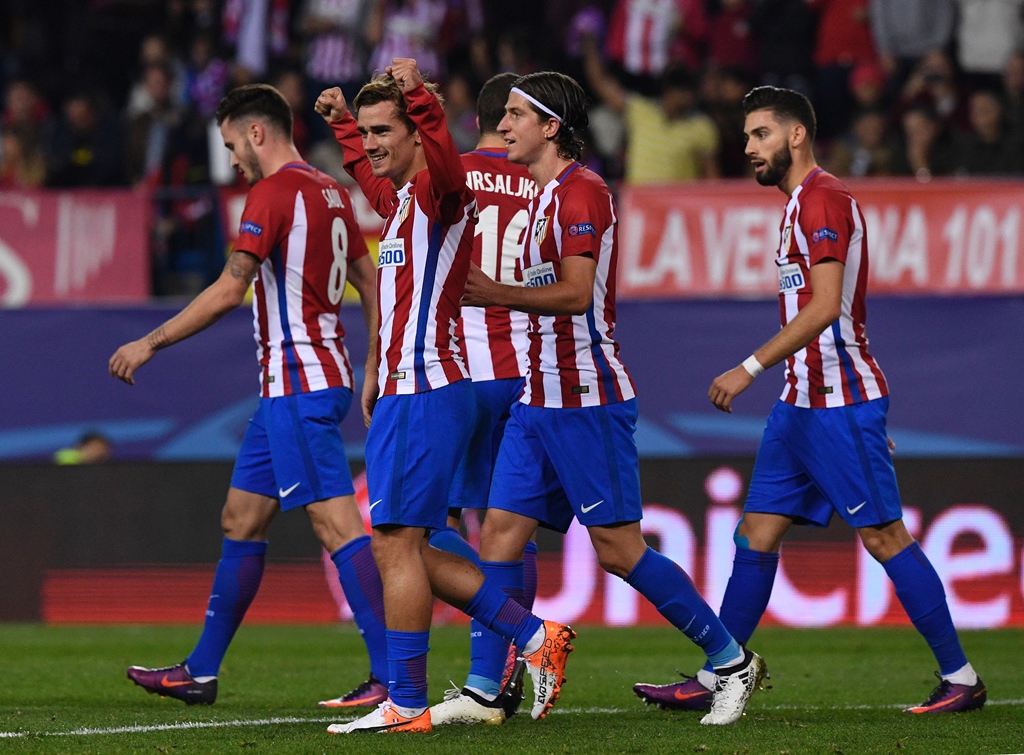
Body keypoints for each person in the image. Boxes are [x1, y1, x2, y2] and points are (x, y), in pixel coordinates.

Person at [632, 85, 987, 716]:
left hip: (839, 403)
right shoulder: (800, 205)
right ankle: (722, 674)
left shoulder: (822, 200)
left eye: (760, 135)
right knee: (755, 534)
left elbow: (825, 307)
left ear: (797, 135)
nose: (748, 149)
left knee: (884, 537)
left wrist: (747, 368)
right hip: (801, 404)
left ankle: (961, 677)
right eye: (745, 138)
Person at [461, 70, 766, 727]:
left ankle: (732, 661)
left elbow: (574, 293)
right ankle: (486, 690)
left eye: (516, 115)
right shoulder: (542, 197)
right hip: (536, 396)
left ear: (551, 126)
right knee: (500, 535)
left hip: (585, 397)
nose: (503, 125)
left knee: (620, 550)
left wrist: (495, 293)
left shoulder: (583, 193)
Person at [110, 83, 390, 710]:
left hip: (298, 382)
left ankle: (393, 677)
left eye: (234, 144)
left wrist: (150, 342)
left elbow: (230, 288)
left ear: (257, 132)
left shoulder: (273, 192)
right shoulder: (331, 191)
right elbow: (370, 280)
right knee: (241, 518)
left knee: (337, 524)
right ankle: (201, 671)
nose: (233, 159)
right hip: (298, 386)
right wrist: (372, 361)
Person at [315, 58, 573, 735]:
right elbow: (370, 180)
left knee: (397, 544)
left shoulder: (439, 189)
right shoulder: (403, 200)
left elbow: (449, 170)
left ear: (416, 136)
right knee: (404, 544)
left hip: (425, 388)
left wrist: (424, 99)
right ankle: (533, 633)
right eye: (366, 133)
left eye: (382, 131)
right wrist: (344, 124)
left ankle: (406, 699)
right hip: (417, 389)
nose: (372, 145)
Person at [425, 71, 540, 727]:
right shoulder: (544, 181)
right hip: (524, 372)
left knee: (420, 524)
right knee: (510, 528)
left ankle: (516, 641)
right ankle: (505, 672)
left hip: (458, 370)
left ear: (480, 121)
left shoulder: (456, 174)